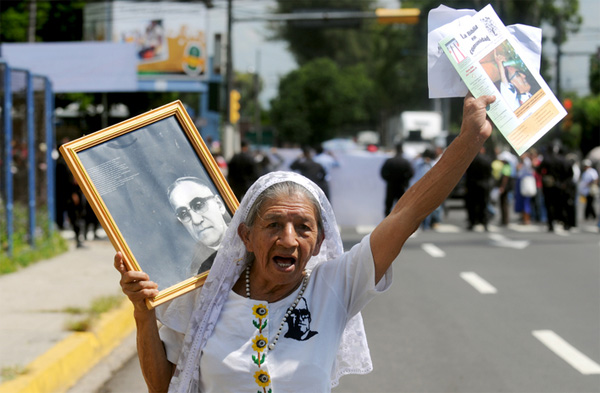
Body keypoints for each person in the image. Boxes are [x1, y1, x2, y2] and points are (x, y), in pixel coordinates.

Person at [114, 94, 496, 392]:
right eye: (274, 224)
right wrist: (143, 314)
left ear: (320, 241)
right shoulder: (202, 295)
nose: (289, 239)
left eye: (304, 228)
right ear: (245, 235)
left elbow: (406, 215)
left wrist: (468, 139)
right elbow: (163, 388)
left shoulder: (335, 286)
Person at [167, 177, 230, 276]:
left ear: (219, 204)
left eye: (199, 205)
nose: (196, 220)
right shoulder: (194, 274)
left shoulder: (254, 238)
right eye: (183, 214)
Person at [380, 143, 414, 216]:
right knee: (401, 207)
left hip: (391, 186)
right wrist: (405, 180)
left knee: (388, 206)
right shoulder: (405, 162)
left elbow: (382, 173)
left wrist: (389, 179)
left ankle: (386, 224)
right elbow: (411, 173)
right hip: (401, 186)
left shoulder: (390, 161)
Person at [465, 146, 493, 230]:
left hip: (472, 185)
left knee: (472, 205)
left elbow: (467, 173)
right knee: (484, 204)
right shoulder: (487, 159)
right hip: (484, 184)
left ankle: (472, 222)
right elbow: (490, 173)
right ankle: (485, 222)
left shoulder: (471, 159)